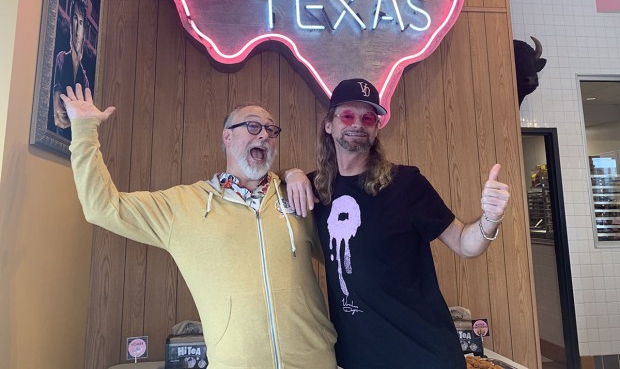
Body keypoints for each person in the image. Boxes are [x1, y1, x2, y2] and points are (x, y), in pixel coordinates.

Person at [61, 84, 337, 369]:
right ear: (227, 136)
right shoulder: (184, 206)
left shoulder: (298, 196)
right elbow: (102, 207)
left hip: (315, 361)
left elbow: (345, 261)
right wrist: (83, 130)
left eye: (271, 130)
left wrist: (294, 174)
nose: (265, 135)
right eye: (254, 126)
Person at [286, 78, 511, 369]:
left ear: (376, 127)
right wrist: (291, 173)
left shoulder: (406, 183)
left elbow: (465, 244)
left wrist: (491, 218)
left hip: (423, 354)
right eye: (347, 115)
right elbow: (272, 185)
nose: (358, 124)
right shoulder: (317, 189)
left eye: (368, 117)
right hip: (358, 357)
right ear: (329, 124)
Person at [52, 0, 91, 135]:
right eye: (74, 18)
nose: (76, 28)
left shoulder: (85, 79)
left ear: (84, 30)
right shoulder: (62, 58)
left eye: (81, 22)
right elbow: (59, 119)